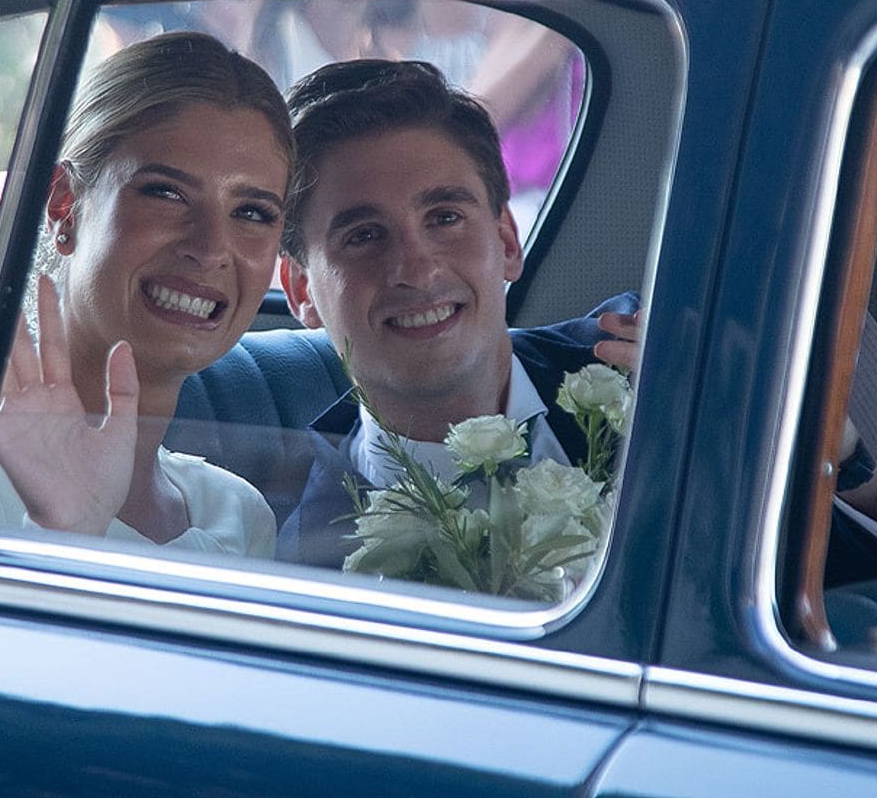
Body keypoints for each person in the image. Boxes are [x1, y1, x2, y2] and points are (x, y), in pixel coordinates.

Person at [0, 30, 295, 557]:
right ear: (64, 206)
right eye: (165, 193)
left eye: (252, 212)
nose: (211, 248)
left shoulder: (239, 514)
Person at [273, 58, 640, 568]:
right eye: (363, 236)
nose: (417, 270)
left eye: (445, 218)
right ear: (300, 290)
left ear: (507, 241)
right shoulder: (313, 563)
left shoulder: (647, 366)